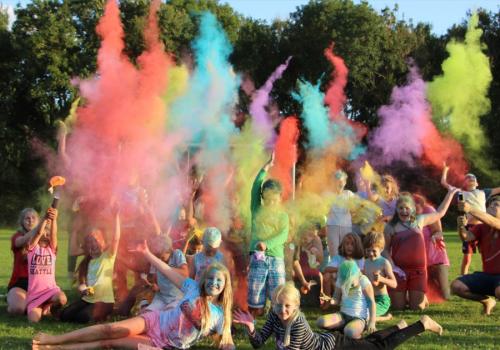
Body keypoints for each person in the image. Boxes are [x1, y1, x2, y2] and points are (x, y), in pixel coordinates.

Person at [32, 241, 235, 350]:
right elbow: (166, 270)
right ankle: (55, 339)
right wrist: (147, 253)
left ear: (225, 286)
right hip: (155, 321)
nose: (214, 283)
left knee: (111, 343)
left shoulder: (220, 315)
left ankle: (55, 348)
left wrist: (248, 331)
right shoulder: (191, 288)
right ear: (204, 280)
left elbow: (227, 343)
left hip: (164, 346)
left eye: (219, 281)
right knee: (110, 329)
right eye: (211, 279)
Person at [234, 282, 443, 350]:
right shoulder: (274, 316)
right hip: (328, 342)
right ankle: (398, 328)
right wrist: (252, 328)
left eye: (287, 306)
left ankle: (421, 324)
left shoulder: (297, 322)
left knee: (378, 348)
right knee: (371, 342)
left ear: (296, 305)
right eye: (279, 306)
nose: (282, 311)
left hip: (335, 345)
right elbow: (258, 344)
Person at [383, 189, 457, 310]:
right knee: (397, 308)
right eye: (400, 208)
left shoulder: (420, 220)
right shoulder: (390, 227)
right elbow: (384, 250)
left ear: (412, 209)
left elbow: (440, 213)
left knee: (416, 308)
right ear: (396, 210)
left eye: (407, 208)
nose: (404, 211)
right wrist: (393, 267)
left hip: (418, 271)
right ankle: (407, 297)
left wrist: (450, 193)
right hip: (399, 272)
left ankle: (418, 299)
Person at [59, 211, 121, 323]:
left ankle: (103, 314)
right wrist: (82, 289)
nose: (93, 244)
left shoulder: (107, 256)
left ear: (102, 241)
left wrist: (116, 216)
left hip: (104, 301)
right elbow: (72, 251)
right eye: (90, 242)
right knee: (65, 315)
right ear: (87, 245)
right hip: (88, 298)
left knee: (82, 318)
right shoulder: (87, 261)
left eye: (96, 240)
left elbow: (116, 239)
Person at [248, 154, 289, 316]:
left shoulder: (283, 216)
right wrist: (265, 168)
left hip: (276, 258)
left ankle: (277, 321)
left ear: (280, 198)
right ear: (263, 196)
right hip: (258, 257)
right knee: (255, 292)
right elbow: (255, 187)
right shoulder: (257, 209)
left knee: (278, 294)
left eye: (274, 199)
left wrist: (267, 244)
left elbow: (283, 235)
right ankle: (252, 319)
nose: (271, 202)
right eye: (267, 198)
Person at [441, 164, 500, 275]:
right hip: (469, 228)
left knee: (486, 254)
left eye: (473, 178)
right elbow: (444, 183)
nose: (470, 178)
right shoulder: (460, 193)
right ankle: (464, 277)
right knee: (467, 258)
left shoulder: (484, 192)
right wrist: (445, 169)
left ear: (477, 183)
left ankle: (488, 276)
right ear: (464, 183)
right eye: (467, 178)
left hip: (485, 227)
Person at [451, 194, 500, 315]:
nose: (492, 207)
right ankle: (488, 301)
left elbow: (494, 223)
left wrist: (471, 209)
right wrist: (461, 226)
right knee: (456, 286)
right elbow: (466, 237)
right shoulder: (481, 227)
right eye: (490, 206)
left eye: (497, 205)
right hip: (487, 276)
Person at [26, 207, 67, 322]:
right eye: (44, 232)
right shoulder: (32, 248)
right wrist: (45, 218)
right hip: (35, 295)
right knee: (33, 321)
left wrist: (54, 220)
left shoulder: (52, 250)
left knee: (62, 299)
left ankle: (52, 308)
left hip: (50, 291)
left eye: (47, 233)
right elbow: (38, 232)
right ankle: (43, 308)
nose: (45, 234)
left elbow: (54, 234)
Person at [317, 260, 376, 339]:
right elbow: (336, 298)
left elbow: (371, 302)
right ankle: (343, 328)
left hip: (359, 318)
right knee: (320, 322)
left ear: (357, 274)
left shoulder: (363, 281)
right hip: (343, 315)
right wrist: (330, 300)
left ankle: (356, 334)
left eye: (350, 281)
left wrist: (372, 322)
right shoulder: (341, 280)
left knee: (349, 332)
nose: (347, 284)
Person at [414, 194, 450, 300]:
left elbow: (439, 232)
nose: (414, 208)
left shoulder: (429, 211)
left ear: (421, 204)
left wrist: (435, 236)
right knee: (430, 293)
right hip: (422, 262)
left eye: (417, 204)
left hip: (437, 258)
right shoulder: (408, 217)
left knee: (445, 294)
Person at [142, 234, 189, 311]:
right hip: (161, 297)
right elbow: (154, 278)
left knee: (169, 314)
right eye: (158, 256)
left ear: (168, 251)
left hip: (177, 297)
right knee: (148, 313)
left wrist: (165, 268)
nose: (160, 259)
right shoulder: (156, 258)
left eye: (162, 257)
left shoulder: (177, 254)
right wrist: (155, 285)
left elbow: (185, 273)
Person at [7, 208, 41, 315]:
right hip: (20, 283)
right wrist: (38, 229)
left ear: (38, 220)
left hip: (39, 283)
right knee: (17, 310)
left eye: (33, 218)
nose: (30, 220)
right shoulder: (17, 236)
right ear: (22, 221)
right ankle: (15, 301)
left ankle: (29, 302)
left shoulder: (44, 238)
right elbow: (20, 242)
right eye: (27, 218)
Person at [322, 233, 364, 308]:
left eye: (352, 244)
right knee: (327, 276)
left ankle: (347, 302)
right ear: (343, 246)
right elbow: (326, 269)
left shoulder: (359, 259)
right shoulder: (338, 257)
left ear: (357, 246)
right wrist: (340, 268)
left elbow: (363, 273)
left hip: (354, 286)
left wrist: (351, 271)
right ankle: (327, 302)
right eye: (347, 244)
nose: (349, 246)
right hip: (338, 285)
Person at [363, 232, 397, 321]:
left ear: (381, 249)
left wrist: (381, 279)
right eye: (368, 250)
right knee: (354, 312)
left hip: (381, 300)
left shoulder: (384, 263)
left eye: (374, 251)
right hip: (368, 298)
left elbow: (394, 284)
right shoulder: (365, 262)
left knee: (365, 315)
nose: (370, 254)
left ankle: (385, 318)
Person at [326, 170, 355, 257]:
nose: (339, 183)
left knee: (346, 251)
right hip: (332, 226)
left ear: (345, 182)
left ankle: (345, 270)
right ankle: (335, 270)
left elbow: (356, 209)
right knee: (334, 252)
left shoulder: (349, 194)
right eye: (336, 181)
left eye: (341, 181)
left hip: (346, 227)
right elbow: (323, 210)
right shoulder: (327, 194)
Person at [292, 222, 324, 298]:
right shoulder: (298, 239)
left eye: (314, 235)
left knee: (319, 275)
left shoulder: (316, 239)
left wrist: (316, 252)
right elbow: (295, 260)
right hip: (298, 265)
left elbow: (320, 260)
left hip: (309, 265)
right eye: (310, 234)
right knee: (292, 273)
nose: (312, 237)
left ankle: (321, 295)